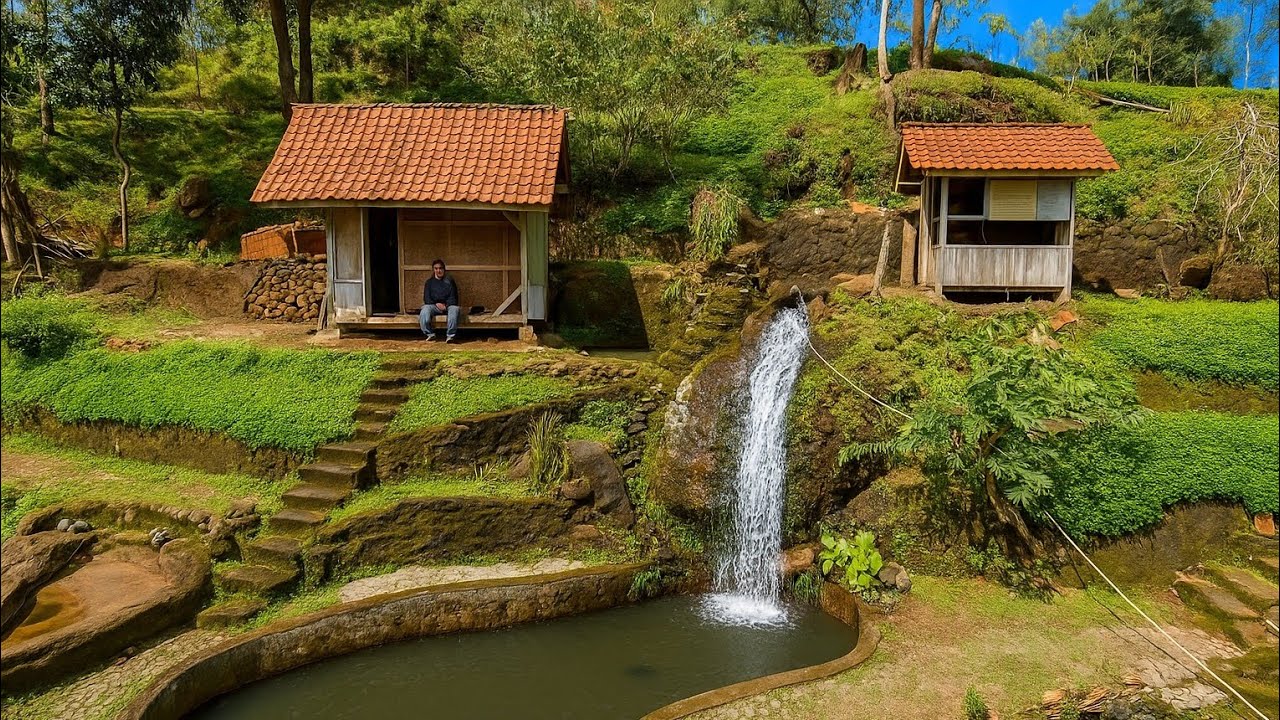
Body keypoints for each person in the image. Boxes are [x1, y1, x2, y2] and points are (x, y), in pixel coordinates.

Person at [419, 259, 460, 342]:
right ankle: (430, 334)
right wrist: (436, 304)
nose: (438, 270)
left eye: (440, 268)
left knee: (455, 309)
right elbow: (427, 298)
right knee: (425, 309)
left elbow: (454, 297)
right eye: (436, 268)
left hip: (447, 306)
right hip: (434, 306)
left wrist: (446, 305)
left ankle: (450, 336)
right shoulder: (429, 282)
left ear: (444, 269)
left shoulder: (450, 281)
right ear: (433, 270)